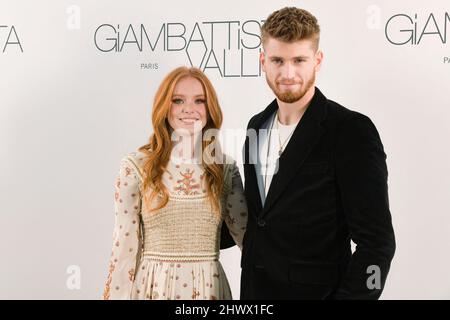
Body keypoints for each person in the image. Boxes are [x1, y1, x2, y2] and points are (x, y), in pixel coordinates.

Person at [240, 7, 396, 299]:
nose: (288, 73)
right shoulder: (256, 126)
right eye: (277, 60)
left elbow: (378, 244)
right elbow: (258, 221)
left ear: (317, 61)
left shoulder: (351, 130)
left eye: (299, 60)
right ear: (263, 61)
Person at [102, 66, 248, 300]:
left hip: (210, 290)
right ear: (164, 106)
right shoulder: (136, 168)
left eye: (199, 101)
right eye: (178, 100)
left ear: (210, 109)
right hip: (153, 289)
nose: (189, 109)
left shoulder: (225, 170)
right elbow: (124, 250)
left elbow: (252, 247)